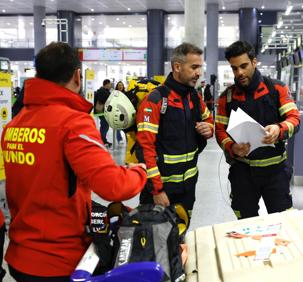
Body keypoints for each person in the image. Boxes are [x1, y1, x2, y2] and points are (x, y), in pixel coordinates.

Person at [0, 42, 147, 281]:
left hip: (20, 257)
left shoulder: (14, 125)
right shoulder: (72, 123)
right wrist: (139, 171)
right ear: (77, 76)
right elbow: (113, 186)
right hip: (58, 261)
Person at [215, 41, 301, 219]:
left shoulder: (276, 89)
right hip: (243, 173)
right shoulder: (227, 98)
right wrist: (232, 147)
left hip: (275, 172)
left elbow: (295, 119)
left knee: (282, 223)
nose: (239, 73)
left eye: (244, 66)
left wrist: (279, 129)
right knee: (244, 224)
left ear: (254, 62)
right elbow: (220, 131)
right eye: (234, 68)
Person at [136, 42, 213, 215]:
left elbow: (209, 118)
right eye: (194, 67)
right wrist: (157, 190)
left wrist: (209, 128)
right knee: (156, 238)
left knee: (180, 236)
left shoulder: (194, 97)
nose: (198, 73)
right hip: (161, 191)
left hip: (188, 188)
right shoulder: (155, 100)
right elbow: (145, 149)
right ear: (177, 67)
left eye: (200, 67)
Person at [95, 79, 113, 147]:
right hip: (102, 111)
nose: (110, 85)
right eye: (110, 84)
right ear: (107, 84)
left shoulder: (104, 91)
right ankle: (102, 141)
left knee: (104, 126)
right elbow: (102, 100)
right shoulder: (103, 91)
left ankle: (103, 140)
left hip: (102, 111)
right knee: (105, 126)